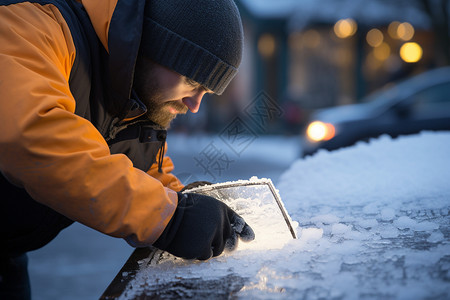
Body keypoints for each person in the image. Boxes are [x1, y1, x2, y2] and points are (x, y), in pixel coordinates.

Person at [0, 0, 255, 298]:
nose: (195, 105)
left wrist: (185, 202)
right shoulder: (31, 25)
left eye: (206, 93)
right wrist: (168, 217)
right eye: (192, 81)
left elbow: (142, 167)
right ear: (156, 45)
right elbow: (33, 136)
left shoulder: (132, 92)